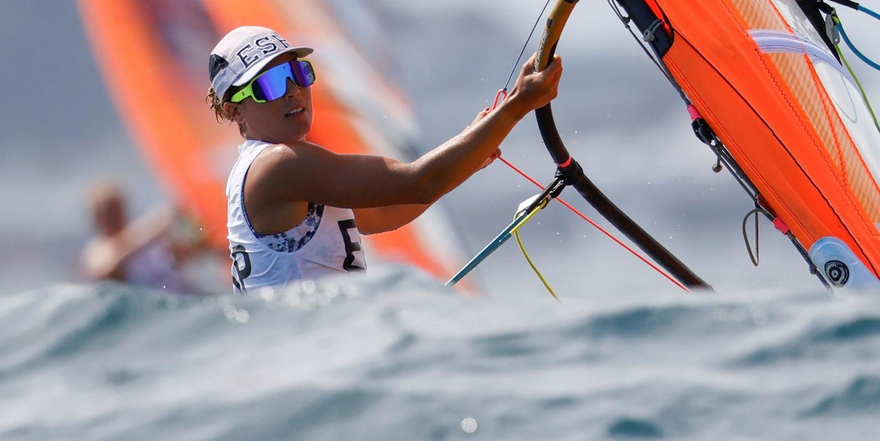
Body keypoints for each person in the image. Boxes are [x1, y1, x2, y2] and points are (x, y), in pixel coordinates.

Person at [208, 25, 561, 293]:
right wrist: (517, 106)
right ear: (233, 110)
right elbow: (417, 183)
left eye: (298, 73)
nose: (292, 90)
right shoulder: (280, 165)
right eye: (270, 84)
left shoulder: (285, 170)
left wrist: (471, 152)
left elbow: (388, 211)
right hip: (304, 362)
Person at [78, 182, 212, 293]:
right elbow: (106, 271)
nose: (113, 217)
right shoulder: (98, 250)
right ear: (97, 218)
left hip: (186, 298)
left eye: (115, 210)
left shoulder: (142, 234)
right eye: (107, 212)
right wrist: (156, 227)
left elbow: (186, 255)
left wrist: (200, 229)